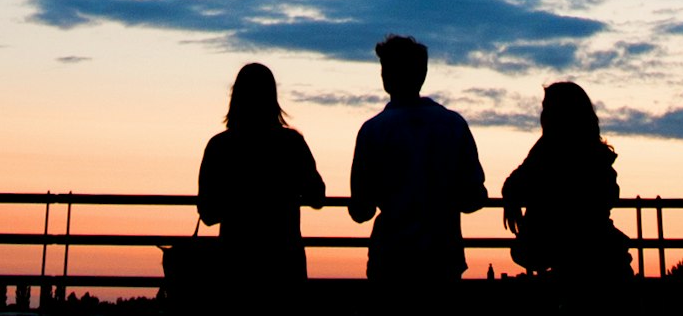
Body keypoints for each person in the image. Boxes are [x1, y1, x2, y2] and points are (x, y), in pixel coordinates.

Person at [349, 35, 487, 314]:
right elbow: (473, 197)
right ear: (422, 74)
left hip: (392, 257)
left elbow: (361, 209)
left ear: (386, 76)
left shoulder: (373, 130)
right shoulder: (454, 125)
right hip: (443, 255)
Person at [197, 63, 327, 298]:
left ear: (235, 98)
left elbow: (207, 213)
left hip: (235, 262)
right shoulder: (291, 144)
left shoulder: (219, 146)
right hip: (284, 262)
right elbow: (317, 197)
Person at [500, 82, 632, 300]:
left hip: (565, 258)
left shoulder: (547, 151)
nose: (542, 115)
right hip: (601, 255)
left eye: (547, 108)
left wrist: (514, 202)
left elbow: (516, 184)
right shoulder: (596, 154)